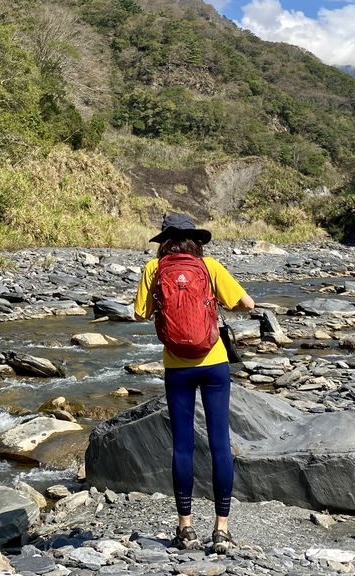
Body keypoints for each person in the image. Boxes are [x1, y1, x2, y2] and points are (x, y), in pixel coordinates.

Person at [133, 213, 255, 555]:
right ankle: (221, 529)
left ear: (165, 241)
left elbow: (139, 313)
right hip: (214, 363)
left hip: (176, 365)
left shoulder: (153, 269)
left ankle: (186, 529)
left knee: (183, 447)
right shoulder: (210, 266)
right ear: (196, 241)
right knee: (219, 443)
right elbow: (248, 303)